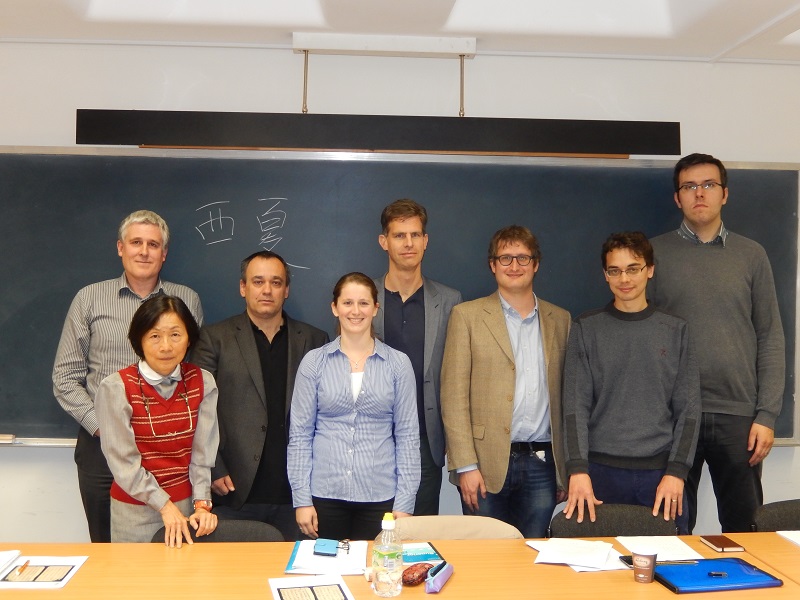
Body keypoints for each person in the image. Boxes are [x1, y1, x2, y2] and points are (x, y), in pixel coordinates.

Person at [649, 153, 785, 533]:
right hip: (674, 416)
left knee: (746, 532)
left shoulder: (752, 255)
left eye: (708, 185)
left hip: (739, 417)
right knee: (671, 530)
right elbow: (642, 335)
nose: (699, 194)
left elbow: (770, 336)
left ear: (724, 193)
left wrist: (767, 415)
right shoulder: (652, 256)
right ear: (677, 198)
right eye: (689, 186)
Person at [52, 210, 203, 542]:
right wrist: (105, 427)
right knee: (107, 550)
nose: (144, 251)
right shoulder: (89, 298)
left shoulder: (185, 300)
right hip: (100, 446)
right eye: (136, 242)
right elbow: (65, 377)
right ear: (120, 248)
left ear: (164, 254)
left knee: (172, 543)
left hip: (168, 449)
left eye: (153, 244)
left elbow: (190, 376)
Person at [562, 232, 700, 534]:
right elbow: (575, 408)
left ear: (649, 270)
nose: (624, 278)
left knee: (668, 567)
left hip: (661, 476)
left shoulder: (675, 330)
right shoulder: (586, 328)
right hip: (598, 475)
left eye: (633, 268)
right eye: (615, 270)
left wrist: (677, 472)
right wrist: (577, 470)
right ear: (605, 275)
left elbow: (688, 410)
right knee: (598, 571)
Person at [441, 225, 570, 538]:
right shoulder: (466, 316)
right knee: (484, 561)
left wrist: (564, 471)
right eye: (506, 258)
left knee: (533, 557)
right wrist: (465, 466)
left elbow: (568, 398)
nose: (514, 266)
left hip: (542, 465)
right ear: (492, 265)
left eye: (523, 258)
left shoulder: (561, 320)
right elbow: (453, 395)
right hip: (483, 466)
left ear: (536, 264)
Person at [189, 250, 328, 542]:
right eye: (258, 281)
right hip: (235, 490)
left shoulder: (315, 341)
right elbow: (198, 408)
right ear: (243, 287)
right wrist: (214, 466)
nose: (267, 290)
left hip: (297, 493)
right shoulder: (214, 339)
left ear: (286, 290)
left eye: (276, 282)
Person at [288, 272, 420, 540]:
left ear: (375, 308)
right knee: (326, 574)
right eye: (347, 303)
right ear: (334, 308)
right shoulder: (314, 363)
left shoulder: (398, 364)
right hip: (324, 495)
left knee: (375, 575)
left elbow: (407, 436)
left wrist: (405, 503)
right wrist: (301, 499)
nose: (355, 311)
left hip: (381, 497)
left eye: (363, 303)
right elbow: (300, 435)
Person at [95, 295, 219, 546]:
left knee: (185, 582)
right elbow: (124, 465)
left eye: (175, 335)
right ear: (138, 339)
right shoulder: (116, 388)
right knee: (139, 583)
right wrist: (164, 506)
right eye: (154, 336)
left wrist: (202, 504)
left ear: (189, 338)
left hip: (187, 509)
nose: (165, 346)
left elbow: (202, 454)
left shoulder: (202, 381)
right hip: (135, 512)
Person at [373, 199, 462, 516]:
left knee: (418, 534)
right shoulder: (362, 298)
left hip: (426, 439)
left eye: (415, 235)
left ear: (425, 241)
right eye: (399, 235)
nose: (408, 243)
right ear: (384, 242)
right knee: (372, 533)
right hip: (374, 437)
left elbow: (455, 375)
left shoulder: (450, 301)